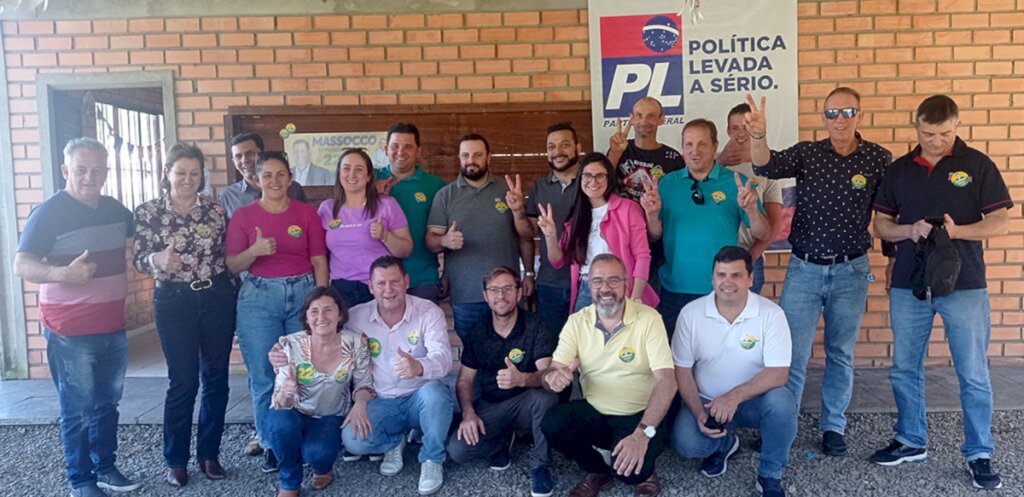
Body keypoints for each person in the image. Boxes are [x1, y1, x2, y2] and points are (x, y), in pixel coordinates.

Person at [871, 95, 1012, 490]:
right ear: (915, 127)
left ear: (957, 125)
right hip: (908, 283)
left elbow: (1000, 221)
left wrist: (957, 231)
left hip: (964, 283)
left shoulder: (977, 164)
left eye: (945, 134)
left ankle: (979, 452)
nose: (936, 141)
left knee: (972, 373)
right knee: (904, 368)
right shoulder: (899, 170)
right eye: (928, 134)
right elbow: (881, 224)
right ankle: (911, 440)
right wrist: (908, 230)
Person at [747, 88, 893, 456]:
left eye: (847, 111)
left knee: (840, 352)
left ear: (860, 115)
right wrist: (759, 135)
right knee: (793, 353)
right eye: (831, 113)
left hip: (852, 270)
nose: (839, 119)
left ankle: (833, 425)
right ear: (823, 116)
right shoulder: (807, 153)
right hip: (805, 269)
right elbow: (764, 165)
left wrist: (892, 260)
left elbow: (892, 212)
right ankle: (784, 423)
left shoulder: (878, 158)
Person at [13, 137, 140, 497]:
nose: (89, 177)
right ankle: (80, 479)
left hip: (113, 328)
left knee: (107, 404)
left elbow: (146, 238)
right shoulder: (49, 212)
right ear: (66, 170)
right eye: (81, 170)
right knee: (78, 408)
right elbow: (21, 264)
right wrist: (62, 274)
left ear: (106, 172)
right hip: (70, 331)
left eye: (97, 170)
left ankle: (105, 468)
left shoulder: (115, 209)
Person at [133, 143, 236, 487]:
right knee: (183, 381)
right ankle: (176, 460)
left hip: (216, 296)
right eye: (180, 173)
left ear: (202, 175)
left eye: (194, 174)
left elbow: (228, 254)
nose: (188, 180)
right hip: (173, 301)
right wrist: (156, 261)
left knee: (216, 378)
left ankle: (209, 455)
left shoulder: (216, 211)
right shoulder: (148, 212)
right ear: (167, 173)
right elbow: (138, 257)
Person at [226, 151, 329, 473]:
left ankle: (303, 435)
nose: (274, 181)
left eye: (280, 174)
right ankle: (271, 441)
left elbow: (319, 260)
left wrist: (321, 301)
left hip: (302, 293)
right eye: (267, 175)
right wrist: (254, 251)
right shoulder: (243, 216)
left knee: (304, 369)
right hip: (258, 298)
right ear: (256, 180)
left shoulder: (307, 214)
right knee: (264, 375)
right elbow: (231, 264)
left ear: (290, 178)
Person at [541, 254, 676, 497]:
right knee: (552, 423)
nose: (605, 288)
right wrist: (552, 378)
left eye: (614, 281)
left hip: (639, 415)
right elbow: (554, 369)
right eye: (597, 281)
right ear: (588, 285)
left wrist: (642, 434)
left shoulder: (649, 319)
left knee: (631, 474)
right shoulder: (576, 322)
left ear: (626, 284)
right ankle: (597, 471)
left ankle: (644, 471)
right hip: (597, 411)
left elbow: (667, 381)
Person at [671, 246, 796, 497]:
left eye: (736, 275)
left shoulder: (771, 314)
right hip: (707, 402)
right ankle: (725, 444)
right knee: (686, 444)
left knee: (783, 402)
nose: (727, 282)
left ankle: (769, 475)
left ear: (751, 279)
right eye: (721, 275)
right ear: (712, 278)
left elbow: (778, 373)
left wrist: (735, 396)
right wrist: (698, 412)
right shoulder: (691, 314)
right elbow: (681, 370)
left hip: (753, 402)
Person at [642, 119, 769, 334]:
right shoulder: (667, 184)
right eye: (689, 144)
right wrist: (652, 215)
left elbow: (763, 233)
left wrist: (752, 211)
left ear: (715, 146)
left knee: (721, 362)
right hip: (674, 291)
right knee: (677, 360)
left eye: (702, 144)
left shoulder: (736, 182)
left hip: (722, 291)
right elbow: (655, 236)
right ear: (682, 148)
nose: (695, 151)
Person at [340, 256, 453, 496]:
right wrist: (287, 350)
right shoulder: (356, 317)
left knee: (435, 394)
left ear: (406, 281)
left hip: (419, 398)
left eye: (394, 282)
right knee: (353, 440)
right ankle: (394, 441)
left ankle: (432, 459)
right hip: (380, 401)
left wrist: (419, 367)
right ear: (370, 287)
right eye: (380, 284)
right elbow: (328, 343)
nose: (388, 290)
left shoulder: (428, 312)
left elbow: (443, 361)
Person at [447, 267, 559, 497]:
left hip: (526, 403)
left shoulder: (536, 325)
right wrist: (468, 413)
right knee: (458, 451)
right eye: (494, 290)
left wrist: (523, 379)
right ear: (485, 296)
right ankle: (501, 440)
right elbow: (464, 381)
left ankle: (540, 464)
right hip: (490, 405)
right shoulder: (478, 330)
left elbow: (547, 376)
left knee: (546, 398)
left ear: (519, 294)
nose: (501, 296)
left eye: (508, 288)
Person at [266, 286, 374, 497]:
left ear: (340, 314)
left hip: (330, 415)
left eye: (328, 310)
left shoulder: (356, 342)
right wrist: (287, 392)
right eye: (314, 311)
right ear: (306, 318)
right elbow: (279, 402)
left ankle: (323, 467)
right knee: (279, 423)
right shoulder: (290, 345)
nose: (321, 317)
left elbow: (364, 383)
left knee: (318, 454)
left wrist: (360, 403)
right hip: (296, 411)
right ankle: (289, 480)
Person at [426, 133, 535, 337]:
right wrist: (444, 241)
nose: (471, 160)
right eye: (465, 155)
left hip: (507, 294)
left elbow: (526, 236)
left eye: (477, 155)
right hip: (466, 295)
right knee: (473, 360)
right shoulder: (446, 195)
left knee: (512, 353)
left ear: (488, 157)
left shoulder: (507, 190)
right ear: (459, 158)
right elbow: (431, 240)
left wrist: (528, 273)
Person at [537, 152, 658, 313]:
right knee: (585, 338)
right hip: (587, 291)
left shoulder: (628, 209)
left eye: (599, 175)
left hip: (622, 290)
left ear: (609, 179)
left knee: (622, 338)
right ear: (580, 179)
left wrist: (635, 299)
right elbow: (557, 261)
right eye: (587, 175)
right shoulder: (577, 216)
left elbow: (642, 256)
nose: (593, 181)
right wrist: (550, 236)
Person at [511, 122, 582, 339]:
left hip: (587, 282)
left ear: (578, 148)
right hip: (549, 282)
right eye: (551, 147)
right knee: (552, 348)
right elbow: (528, 232)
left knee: (588, 350)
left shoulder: (592, 182)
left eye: (564, 145)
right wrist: (517, 211)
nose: (557, 152)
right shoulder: (540, 187)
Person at [319, 148, 413, 307]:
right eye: (346, 168)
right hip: (341, 289)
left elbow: (406, 250)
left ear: (369, 176)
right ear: (339, 174)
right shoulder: (327, 208)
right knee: (345, 333)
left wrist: (385, 235)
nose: (352, 174)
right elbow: (318, 253)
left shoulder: (387, 205)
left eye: (359, 169)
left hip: (380, 288)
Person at [716, 103, 784, 294]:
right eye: (735, 128)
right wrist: (719, 163)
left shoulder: (767, 168)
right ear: (728, 130)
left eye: (745, 127)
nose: (740, 133)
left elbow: (775, 223)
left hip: (749, 258)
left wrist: (750, 257)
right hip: (713, 259)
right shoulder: (712, 163)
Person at [376, 123, 447, 302]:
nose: (400, 152)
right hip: (379, 281)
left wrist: (447, 273)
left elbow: (446, 234)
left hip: (422, 277)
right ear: (385, 149)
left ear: (418, 151)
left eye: (408, 147)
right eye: (395, 146)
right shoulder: (370, 182)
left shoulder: (436, 186)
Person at [606, 97, 683, 203]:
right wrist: (615, 153)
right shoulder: (619, 149)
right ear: (632, 119)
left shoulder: (674, 158)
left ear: (661, 119)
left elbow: (679, 197)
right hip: (625, 217)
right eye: (639, 115)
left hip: (659, 217)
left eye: (651, 116)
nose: (644, 121)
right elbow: (603, 181)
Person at [220, 132, 306, 219]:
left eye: (250, 154)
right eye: (238, 156)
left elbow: (305, 221)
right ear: (233, 162)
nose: (244, 160)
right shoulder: (228, 196)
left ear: (262, 155)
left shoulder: (293, 189)